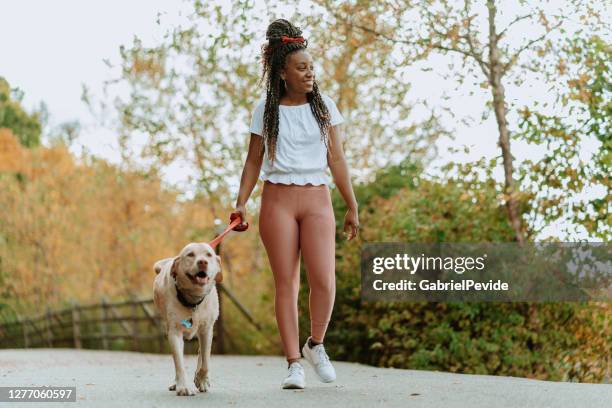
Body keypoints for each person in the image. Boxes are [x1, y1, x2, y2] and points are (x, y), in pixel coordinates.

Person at [233, 18, 359, 390]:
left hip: (318, 199)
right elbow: (253, 162)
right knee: (286, 283)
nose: (309, 74)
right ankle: (293, 364)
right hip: (278, 201)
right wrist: (240, 202)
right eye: (301, 68)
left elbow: (337, 159)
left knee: (323, 280)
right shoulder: (265, 110)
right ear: (283, 73)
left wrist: (351, 204)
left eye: (311, 68)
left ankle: (315, 344)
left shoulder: (324, 108)